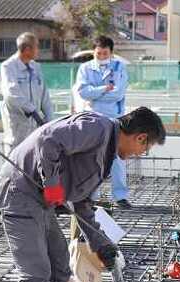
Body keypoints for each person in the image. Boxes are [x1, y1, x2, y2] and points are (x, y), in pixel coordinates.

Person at [0, 107, 166, 282]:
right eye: (146, 147)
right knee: (35, 272)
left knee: (60, 265)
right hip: (19, 192)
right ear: (140, 137)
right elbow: (47, 140)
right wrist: (52, 184)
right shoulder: (96, 128)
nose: (142, 154)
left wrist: (102, 245)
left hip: (39, 201)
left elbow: (82, 204)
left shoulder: (105, 153)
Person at [73, 36, 132, 209]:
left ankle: (120, 196)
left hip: (115, 118)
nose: (101, 56)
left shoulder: (119, 67)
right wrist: (104, 88)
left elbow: (118, 94)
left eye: (105, 53)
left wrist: (95, 94)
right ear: (94, 52)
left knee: (117, 157)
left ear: (111, 53)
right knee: (93, 157)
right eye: (98, 53)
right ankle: (91, 196)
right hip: (92, 118)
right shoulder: (85, 68)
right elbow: (83, 93)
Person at [0, 32, 54, 153]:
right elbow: (11, 94)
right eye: (37, 47)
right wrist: (32, 110)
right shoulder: (8, 67)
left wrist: (50, 120)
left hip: (36, 126)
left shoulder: (36, 67)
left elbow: (44, 96)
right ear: (28, 49)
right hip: (18, 124)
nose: (38, 50)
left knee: (33, 159)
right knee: (15, 160)